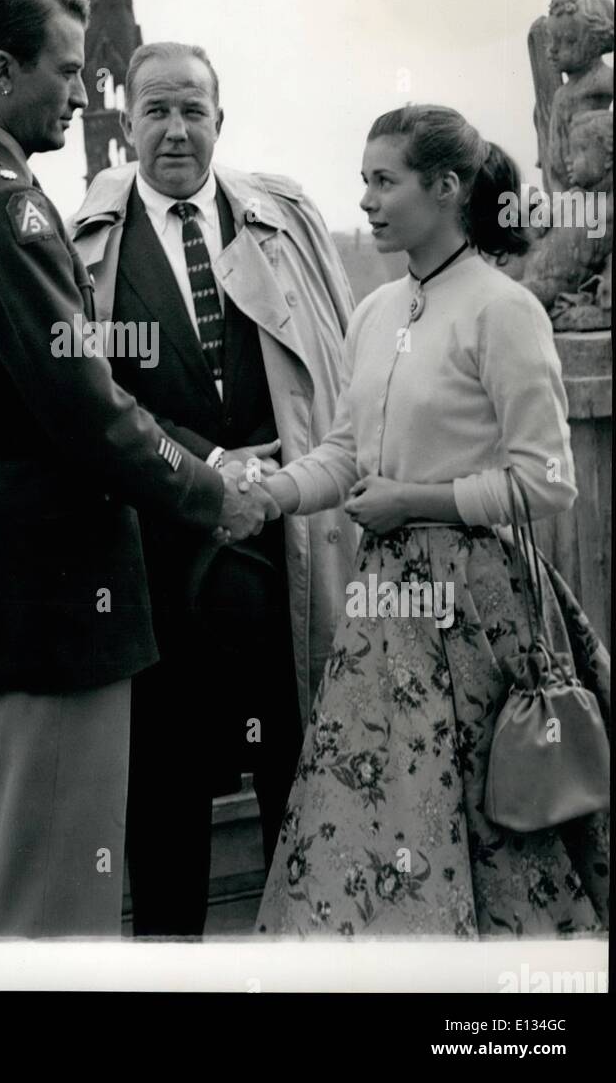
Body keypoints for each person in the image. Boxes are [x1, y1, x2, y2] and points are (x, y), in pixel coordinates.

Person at [0, 0, 273, 938]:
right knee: (61, 894)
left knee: (19, 873)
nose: (79, 95)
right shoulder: (5, 210)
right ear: (3, 70)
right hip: (60, 599)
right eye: (64, 73)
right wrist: (211, 488)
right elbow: (89, 412)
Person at [255, 104, 609, 937]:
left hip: (477, 611)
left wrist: (416, 501)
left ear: (446, 188)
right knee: (376, 814)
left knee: (485, 818)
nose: (368, 201)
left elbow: (547, 481)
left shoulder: (502, 309)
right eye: (364, 182)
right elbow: (345, 453)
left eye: (386, 181)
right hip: (382, 619)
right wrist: (267, 493)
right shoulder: (375, 311)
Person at [69, 41, 356, 936]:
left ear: (219, 122)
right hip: (160, 561)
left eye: (193, 109)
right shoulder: (84, 248)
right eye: (155, 110)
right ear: (125, 127)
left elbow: (337, 366)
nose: (175, 129)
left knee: (301, 777)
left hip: (283, 553)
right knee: (163, 799)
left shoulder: (282, 219)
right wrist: (206, 465)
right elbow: (93, 401)